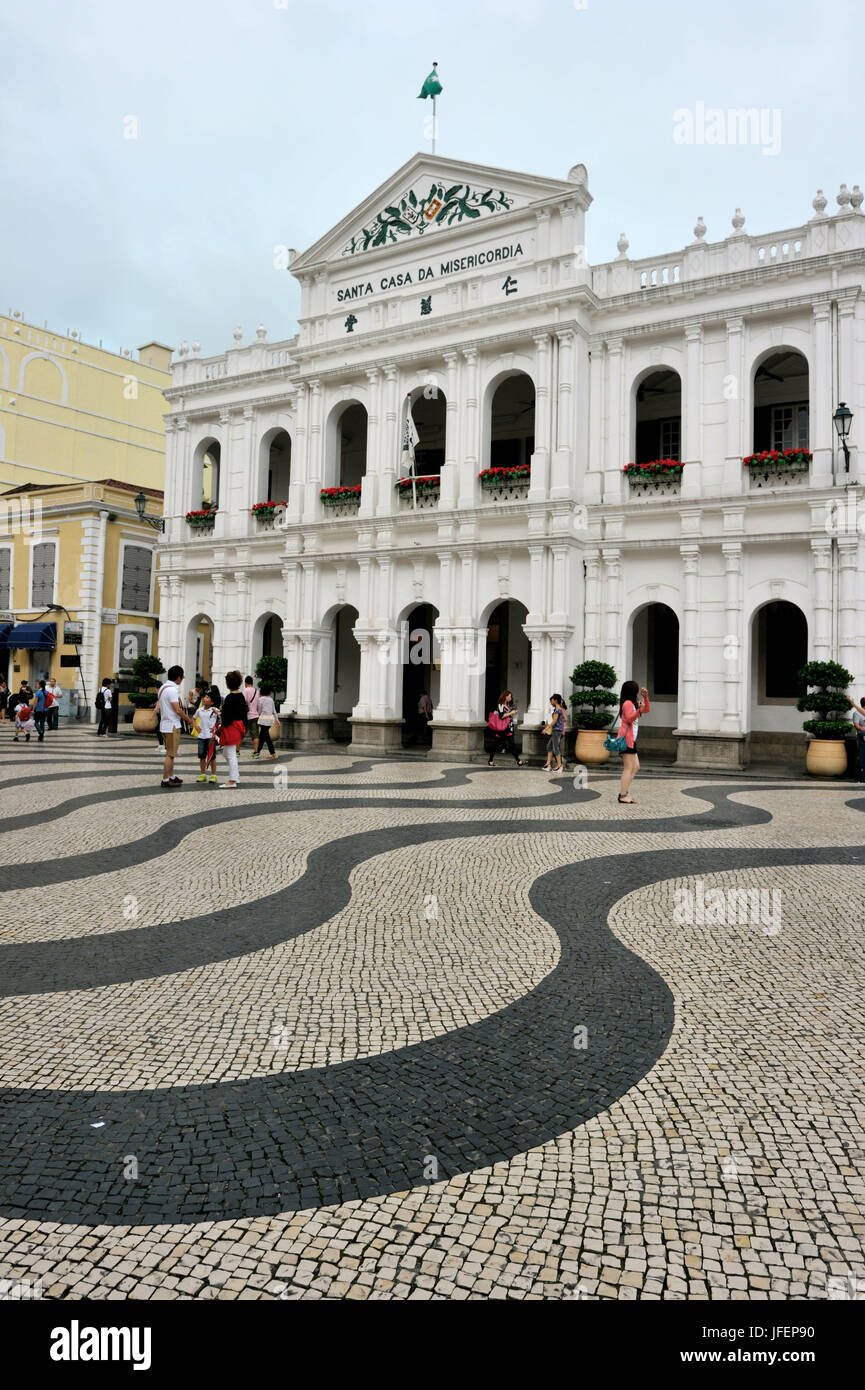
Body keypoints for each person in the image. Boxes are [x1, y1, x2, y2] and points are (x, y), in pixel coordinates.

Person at [157, 664, 193, 788]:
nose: (182, 680)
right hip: (172, 724)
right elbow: (177, 710)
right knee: (170, 754)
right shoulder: (172, 690)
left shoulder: (162, 688)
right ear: (178, 677)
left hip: (165, 724)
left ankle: (171, 776)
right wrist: (189, 720)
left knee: (171, 753)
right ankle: (166, 779)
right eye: (182, 677)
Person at [617, 680, 650, 805]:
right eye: (636, 690)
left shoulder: (632, 703)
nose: (638, 692)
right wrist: (638, 710)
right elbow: (630, 718)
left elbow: (646, 710)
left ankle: (625, 791)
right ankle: (623, 795)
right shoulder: (627, 704)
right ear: (632, 691)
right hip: (627, 739)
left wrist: (645, 697)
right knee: (628, 768)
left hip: (631, 740)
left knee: (635, 767)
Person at [220, 671, 248, 787]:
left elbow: (227, 715)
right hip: (238, 726)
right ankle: (235, 776)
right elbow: (243, 712)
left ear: (228, 683)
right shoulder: (241, 696)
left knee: (230, 754)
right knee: (227, 753)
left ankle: (232, 780)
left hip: (231, 727)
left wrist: (220, 714)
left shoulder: (230, 697)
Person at [488, 690, 524, 767]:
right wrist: (511, 713)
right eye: (510, 696)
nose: (511, 698)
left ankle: (518, 761)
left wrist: (513, 713)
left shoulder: (508, 705)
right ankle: (491, 760)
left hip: (508, 727)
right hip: (503, 729)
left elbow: (508, 715)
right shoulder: (500, 705)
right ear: (505, 697)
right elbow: (501, 716)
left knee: (511, 744)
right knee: (497, 744)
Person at [193, 690, 220, 783]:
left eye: (207, 697)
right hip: (201, 736)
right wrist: (196, 726)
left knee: (212, 756)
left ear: (212, 702)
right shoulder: (199, 710)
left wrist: (217, 713)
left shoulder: (214, 709)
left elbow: (222, 718)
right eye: (205, 697)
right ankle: (203, 774)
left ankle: (213, 775)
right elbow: (193, 718)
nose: (205, 698)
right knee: (201, 756)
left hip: (210, 736)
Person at [543, 693, 567, 774]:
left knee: (555, 748)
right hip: (557, 730)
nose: (551, 702)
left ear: (555, 700)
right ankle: (548, 765)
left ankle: (560, 766)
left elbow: (554, 721)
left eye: (551, 700)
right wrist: (561, 722)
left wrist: (546, 728)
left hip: (557, 731)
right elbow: (565, 719)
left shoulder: (557, 710)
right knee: (549, 746)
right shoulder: (560, 708)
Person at [256, 686, 278, 760]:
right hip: (270, 720)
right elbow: (274, 711)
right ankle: (257, 752)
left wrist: (259, 715)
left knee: (266, 737)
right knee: (262, 736)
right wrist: (277, 720)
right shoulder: (271, 699)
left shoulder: (260, 699)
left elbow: (259, 710)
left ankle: (273, 753)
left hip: (263, 719)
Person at [848, 694, 865, 782]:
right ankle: (862, 777)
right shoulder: (857, 713)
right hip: (862, 737)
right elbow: (857, 726)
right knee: (862, 756)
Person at [244, 676, 261, 757]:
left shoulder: (245, 690)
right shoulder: (257, 691)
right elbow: (259, 704)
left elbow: (244, 702)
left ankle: (237, 751)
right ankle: (256, 752)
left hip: (247, 715)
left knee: (241, 734)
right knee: (255, 735)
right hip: (255, 715)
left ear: (246, 683)